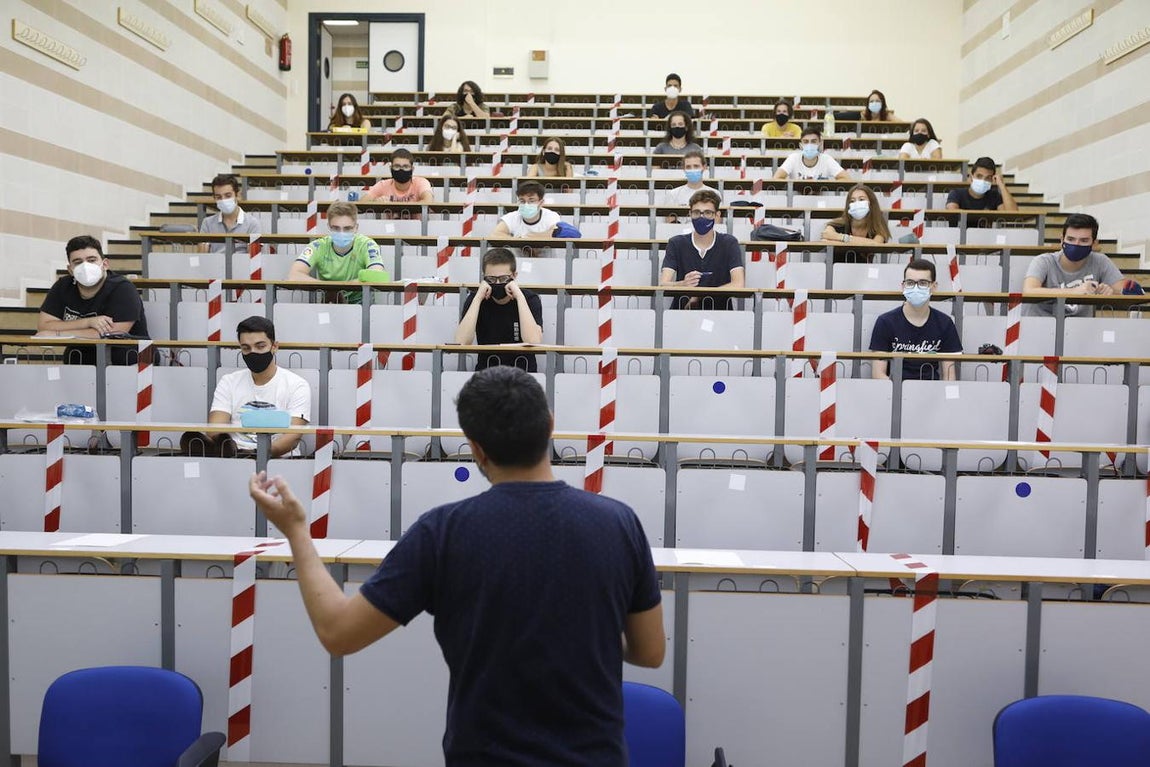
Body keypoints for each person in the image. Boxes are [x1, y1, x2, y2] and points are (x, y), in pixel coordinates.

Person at [247, 365, 664, 765]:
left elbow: (338, 633)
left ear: (476, 447)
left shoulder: (441, 532)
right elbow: (650, 651)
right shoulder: (619, 523)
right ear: (550, 425)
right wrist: (590, 636)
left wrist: (297, 532)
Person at [184, 316, 310, 458]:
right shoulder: (229, 382)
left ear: (274, 347)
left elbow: (293, 437)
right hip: (234, 458)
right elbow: (215, 430)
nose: (253, 352)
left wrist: (257, 455)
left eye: (260, 346)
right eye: (246, 348)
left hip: (280, 462)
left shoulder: (297, 385)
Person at [37, 235, 150, 366]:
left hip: (132, 358)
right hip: (83, 356)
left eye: (91, 260)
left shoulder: (123, 288)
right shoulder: (62, 287)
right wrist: (88, 322)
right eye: (78, 262)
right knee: (73, 355)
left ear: (105, 264)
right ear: (70, 270)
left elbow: (112, 334)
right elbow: (44, 326)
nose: (85, 266)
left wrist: (57, 334)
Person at [869, 259, 961, 381]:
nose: (916, 288)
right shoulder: (885, 322)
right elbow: (878, 374)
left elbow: (949, 375)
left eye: (923, 283)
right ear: (903, 286)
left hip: (932, 393)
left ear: (934, 287)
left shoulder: (945, 323)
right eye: (910, 282)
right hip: (895, 394)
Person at [454, 248, 544, 372]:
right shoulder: (476, 299)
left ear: (514, 276)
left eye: (503, 279)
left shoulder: (529, 299)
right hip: (486, 375)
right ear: (483, 278)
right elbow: (461, 342)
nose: (497, 283)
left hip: (524, 375)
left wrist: (519, 297)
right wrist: (478, 298)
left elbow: (533, 340)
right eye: (490, 279)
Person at [1022, 213, 1124, 317]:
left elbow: (1126, 291)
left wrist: (1110, 291)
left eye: (1084, 240)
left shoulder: (1100, 261)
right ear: (1062, 240)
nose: (1076, 244)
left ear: (1094, 244)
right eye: (1070, 239)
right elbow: (1029, 290)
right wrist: (1075, 291)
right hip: (1040, 327)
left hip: (1081, 329)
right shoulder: (1043, 261)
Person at [659, 189, 745, 310]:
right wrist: (682, 284)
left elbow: (738, 284)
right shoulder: (676, 243)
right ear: (690, 214)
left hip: (720, 314)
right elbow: (663, 284)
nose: (701, 217)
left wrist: (700, 295)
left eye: (708, 213)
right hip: (682, 313)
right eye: (696, 212)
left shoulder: (729, 243)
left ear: (717, 215)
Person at [288, 202, 385, 303]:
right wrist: (329, 288)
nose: (341, 233)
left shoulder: (367, 244)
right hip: (330, 302)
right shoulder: (318, 246)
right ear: (329, 227)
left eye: (347, 228)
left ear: (356, 227)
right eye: (336, 228)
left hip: (362, 305)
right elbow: (294, 275)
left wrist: (340, 287)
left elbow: (376, 273)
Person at [199, 173, 261, 254]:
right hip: (215, 265)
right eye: (218, 197)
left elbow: (254, 259)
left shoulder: (252, 223)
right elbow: (202, 257)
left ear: (237, 195)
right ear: (214, 198)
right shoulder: (207, 223)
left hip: (241, 265)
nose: (223, 200)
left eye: (228, 196)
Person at [821, 184, 891, 245]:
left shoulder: (877, 224)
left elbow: (876, 244)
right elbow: (826, 237)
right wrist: (865, 242)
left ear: (871, 203)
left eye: (861, 199)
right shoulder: (838, 224)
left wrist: (841, 237)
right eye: (852, 201)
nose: (857, 203)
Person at [490, 180, 562, 239]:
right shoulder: (512, 217)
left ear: (541, 202)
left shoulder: (551, 216)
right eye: (522, 201)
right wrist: (518, 240)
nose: (526, 204)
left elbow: (557, 233)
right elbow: (495, 234)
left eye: (531, 201)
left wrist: (529, 237)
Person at [774, 126, 851, 180]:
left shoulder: (826, 159)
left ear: (820, 144)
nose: (809, 145)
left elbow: (846, 178)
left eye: (813, 141)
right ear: (800, 145)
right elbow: (777, 178)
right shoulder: (793, 158)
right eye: (806, 142)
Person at [946, 156, 1019, 212]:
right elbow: (952, 212)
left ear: (992, 180)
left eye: (988, 178)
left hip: (987, 232)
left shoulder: (995, 196)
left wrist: (1001, 185)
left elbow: (1013, 213)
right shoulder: (956, 193)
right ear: (971, 178)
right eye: (979, 176)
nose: (983, 180)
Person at [660, 149, 720, 215]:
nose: (692, 169)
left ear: (704, 167)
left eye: (696, 166)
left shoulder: (716, 194)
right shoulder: (673, 194)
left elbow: (718, 220)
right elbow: (669, 221)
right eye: (688, 167)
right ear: (684, 169)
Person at [362, 149, 434, 203]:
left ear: (412, 169)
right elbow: (361, 203)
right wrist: (375, 202)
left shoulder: (421, 182)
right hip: (390, 223)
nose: (401, 170)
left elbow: (428, 201)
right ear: (391, 168)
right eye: (397, 166)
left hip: (418, 223)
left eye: (405, 167)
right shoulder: (383, 185)